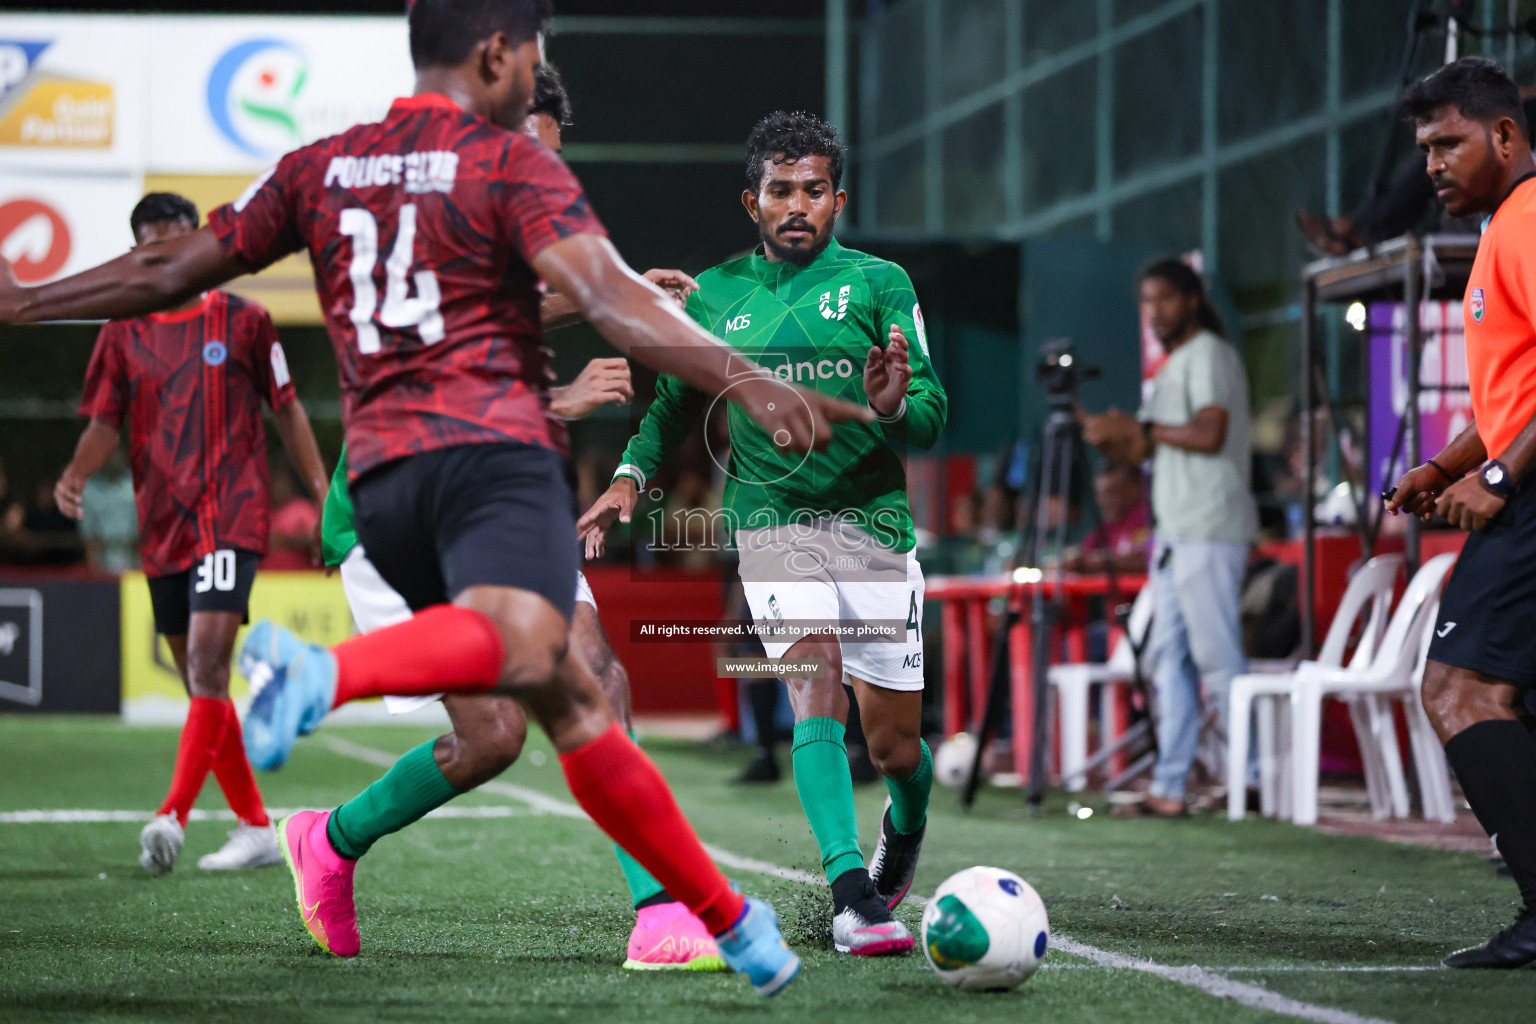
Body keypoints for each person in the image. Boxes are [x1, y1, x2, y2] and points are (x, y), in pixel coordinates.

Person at [0, 0, 868, 996]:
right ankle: (323, 676)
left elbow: (175, 265)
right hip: (487, 467)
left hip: (385, 482)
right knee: (555, 662)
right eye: (532, 56)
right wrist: (752, 382)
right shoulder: (505, 165)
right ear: (498, 54)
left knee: (536, 708)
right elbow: (610, 300)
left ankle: (705, 916)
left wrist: (27, 299)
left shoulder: (324, 164)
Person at [298, 64, 727, 971]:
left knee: (595, 669)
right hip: (400, 503)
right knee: (491, 735)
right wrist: (560, 403)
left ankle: (657, 910)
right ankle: (330, 842)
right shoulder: (411, 217)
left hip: (497, 494)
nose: (546, 173)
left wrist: (623, 294)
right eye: (534, 151)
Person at [580, 110, 947, 956]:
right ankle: (854, 895)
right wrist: (632, 476)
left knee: (895, 745)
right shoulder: (712, 293)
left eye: (813, 190)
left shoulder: (882, 284)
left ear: (838, 199)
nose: (796, 204)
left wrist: (894, 406)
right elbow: (672, 401)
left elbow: (931, 415)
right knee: (811, 676)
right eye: (780, 190)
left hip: (874, 527)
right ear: (752, 200)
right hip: (772, 525)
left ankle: (909, 822)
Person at [53, 191, 330, 875]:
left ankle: (171, 812)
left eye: (177, 238)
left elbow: (289, 412)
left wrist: (323, 494)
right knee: (199, 680)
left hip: (231, 513)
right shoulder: (122, 330)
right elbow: (103, 422)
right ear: (138, 252)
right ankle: (256, 827)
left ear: (197, 243)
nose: (166, 252)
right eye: (152, 243)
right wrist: (75, 475)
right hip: (163, 526)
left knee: (207, 664)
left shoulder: (246, 319)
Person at [1384, 56, 1536, 969]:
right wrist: (1444, 465)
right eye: (1425, 148)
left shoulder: (1528, 221)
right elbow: (1510, 400)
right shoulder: (1502, 232)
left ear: (1507, 136)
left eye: (1450, 142)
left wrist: (1504, 481)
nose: (1433, 163)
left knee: (1459, 690)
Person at [1082, 258, 1256, 817]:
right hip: (1177, 532)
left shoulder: (1208, 351)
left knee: (1216, 658)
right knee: (1163, 658)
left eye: (1164, 299)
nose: (1155, 312)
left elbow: (1210, 432)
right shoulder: (1174, 363)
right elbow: (1143, 449)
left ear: (1192, 300)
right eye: (1147, 303)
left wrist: (1143, 431)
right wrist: (1104, 434)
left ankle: (1250, 781)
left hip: (1209, 524)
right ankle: (1171, 786)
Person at [1061, 462, 1152, 575]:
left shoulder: (1148, 518)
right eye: (1099, 494)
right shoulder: (1107, 526)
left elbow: (1150, 559)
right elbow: (1083, 555)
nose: (1103, 500)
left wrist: (1100, 563)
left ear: (1137, 489)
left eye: (1112, 492)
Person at [79, 446, 139, 572]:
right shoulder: (90, 490)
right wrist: (95, 574)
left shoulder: (136, 484)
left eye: (116, 453)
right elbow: (89, 536)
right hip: (104, 557)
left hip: (134, 555)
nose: (113, 459)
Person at [263, 466, 320, 571]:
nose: (277, 489)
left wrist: (289, 540)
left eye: (281, 484)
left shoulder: (302, 509)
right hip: (267, 579)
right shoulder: (262, 513)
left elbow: (319, 538)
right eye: (274, 484)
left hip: (300, 578)